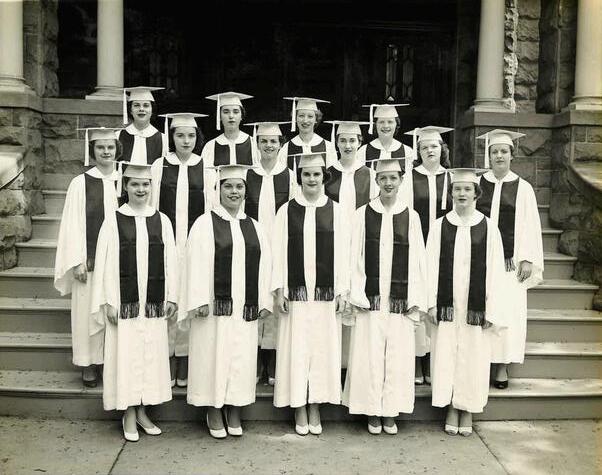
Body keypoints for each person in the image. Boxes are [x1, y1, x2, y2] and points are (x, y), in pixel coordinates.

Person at [90, 162, 178, 442]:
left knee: (150, 356)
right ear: (125, 187)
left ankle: (142, 411)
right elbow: (103, 264)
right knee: (126, 357)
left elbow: (171, 261)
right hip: (123, 304)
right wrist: (107, 300)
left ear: (152, 187)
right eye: (135, 184)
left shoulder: (162, 220)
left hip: (153, 305)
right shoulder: (113, 220)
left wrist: (172, 296)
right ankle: (128, 412)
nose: (141, 189)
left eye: (145, 184)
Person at [185, 164, 273, 439]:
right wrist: (198, 299)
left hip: (244, 307)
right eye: (228, 186)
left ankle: (235, 407)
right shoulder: (204, 223)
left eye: (239, 187)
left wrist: (263, 301)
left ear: (246, 191)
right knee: (212, 354)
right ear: (218, 189)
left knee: (241, 357)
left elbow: (265, 266)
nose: (234, 192)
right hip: (213, 308)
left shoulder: (254, 226)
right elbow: (194, 264)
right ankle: (213, 408)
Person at [343, 157, 428, 435]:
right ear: (376, 181)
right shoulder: (362, 214)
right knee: (369, 354)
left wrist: (415, 297)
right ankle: (371, 410)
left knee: (397, 356)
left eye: (393, 178)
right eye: (383, 178)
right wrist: (356, 293)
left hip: (400, 299)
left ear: (401, 180)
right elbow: (353, 256)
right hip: (370, 299)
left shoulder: (411, 216)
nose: (388, 183)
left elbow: (418, 259)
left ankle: (390, 410)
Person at [272, 152, 349, 436]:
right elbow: (278, 251)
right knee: (296, 349)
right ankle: (298, 405)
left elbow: (344, 253)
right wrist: (279, 289)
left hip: (326, 295)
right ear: (299, 177)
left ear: (324, 177)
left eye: (317, 174)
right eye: (307, 174)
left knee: (321, 350)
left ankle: (315, 404)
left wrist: (342, 290)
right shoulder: (286, 210)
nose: (312, 179)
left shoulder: (337, 211)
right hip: (296, 295)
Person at [426, 168, 506, 437]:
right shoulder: (439, 226)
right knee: (446, 353)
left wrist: (492, 309)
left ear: (476, 194)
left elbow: (496, 271)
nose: (462, 193)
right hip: (447, 303)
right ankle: (451, 405)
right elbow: (429, 266)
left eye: (467, 189)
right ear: (450, 194)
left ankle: (468, 407)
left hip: (476, 306)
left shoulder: (488, 227)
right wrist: (431, 302)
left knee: (474, 355)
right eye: (457, 189)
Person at [151, 112, 218, 388]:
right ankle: (166, 360)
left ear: (197, 138)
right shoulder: (159, 166)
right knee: (168, 297)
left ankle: (187, 360)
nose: (186, 140)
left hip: (194, 244)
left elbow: (212, 209)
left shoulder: (207, 168)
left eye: (191, 135)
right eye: (180, 135)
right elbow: (152, 204)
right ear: (172, 137)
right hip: (166, 243)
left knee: (191, 295)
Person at [476, 129, 543, 389]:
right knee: (481, 308)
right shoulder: (478, 184)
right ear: (488, 155)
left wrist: (527, 258)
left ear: (512, 155)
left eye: (504, 151)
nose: (499, 156)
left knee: (507, 313)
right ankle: (480, 363)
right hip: (480, 260)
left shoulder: (523, 188)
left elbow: (531, 225)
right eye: (494, 151)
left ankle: (502, 367)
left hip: (510, 263)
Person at [54, 127, 121, 387]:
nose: (106, 152)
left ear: (117, 149)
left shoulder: (125, 180)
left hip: (118, 262)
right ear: (92, 151)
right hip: (89, 261)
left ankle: (109, 362)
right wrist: (75, 261)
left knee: (112, 313)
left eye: (110, 147)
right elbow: (71, 224)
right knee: (86, 314)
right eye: (100, 147)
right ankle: (89, 363)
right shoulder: (80, 183)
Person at [244, 121, 297, 386]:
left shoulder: (289, 176)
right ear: (257, 144)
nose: (268, 145)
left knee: (276, 300)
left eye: (273, 141)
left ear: (280, 145)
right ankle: (252, 359)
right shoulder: (247, 174)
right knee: (252, 297)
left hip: (279, 245)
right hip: (250, 245)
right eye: (263, 141)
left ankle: (273, 360)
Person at [399, 125, 454, 385]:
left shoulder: (452, 178)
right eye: (424, 147)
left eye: (434, 146)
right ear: (418, 152)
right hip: (417, 246)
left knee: (439, 300)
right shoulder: (410, 178)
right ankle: (416, 361)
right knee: (419, 300)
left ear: (442, 150)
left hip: (446, 248)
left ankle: (434, 360)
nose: (429, 151)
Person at [323, 120, 378, 375]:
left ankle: (352, 365)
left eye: (352, 140)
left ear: (359, 143)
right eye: (343, 140)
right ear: (336, 143)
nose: (347, 145)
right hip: (330, 240)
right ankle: (333, 364)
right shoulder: (327, 173)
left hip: (360, 240)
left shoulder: (369, 174)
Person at [278, 97, 337, 170]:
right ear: (295, 118)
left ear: (316, 119)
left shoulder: (328, 147)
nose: (305, 120)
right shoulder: (286, 148)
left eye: (310, 116)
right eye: (301, 116)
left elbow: (331, 175)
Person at [201, 91, 256, 166]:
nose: (231, 116)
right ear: (219, 117)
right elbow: (205, 171)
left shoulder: (253, 143)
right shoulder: (210, 146)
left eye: (236, 112)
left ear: (241, 116)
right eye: (226, 112)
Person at [118, 86, 167, 165]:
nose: (141, 109)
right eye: (136, 105)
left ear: (152, 110)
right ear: (130, 110)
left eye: (146, 105)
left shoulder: (163, 139)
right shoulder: (118, 136)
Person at [356, 103, 413, 167]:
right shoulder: (363, 151)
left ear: (396, 124)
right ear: (375, 125)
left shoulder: (407, 152)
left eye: (390, 122)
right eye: (381, 122)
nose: (386, 126)